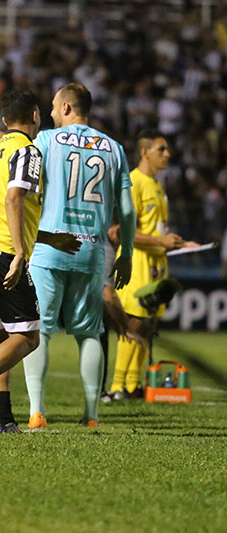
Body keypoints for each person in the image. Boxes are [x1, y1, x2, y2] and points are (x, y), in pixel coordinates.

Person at [0, 89, 80, 431]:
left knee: (1, 338)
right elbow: (13, 201)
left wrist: (48, 239)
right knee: (28, 337)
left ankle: (4, 419)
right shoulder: (27, 151)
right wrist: (20, 252)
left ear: (5, 120)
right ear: (36, 116)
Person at [21, 83, 136, 429]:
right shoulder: (113, 148)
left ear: (68, 108)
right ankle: (91, 415)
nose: (52, 113)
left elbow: (23, 192)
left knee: (39, 329)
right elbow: (127, 211)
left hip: (49, 247)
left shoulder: (45, 141)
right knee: (89, 332)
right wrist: (126, 253)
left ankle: (37, 412)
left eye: (55, 106)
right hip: (91, 251)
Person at [107, 129, 199, 400]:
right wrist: (161, 242)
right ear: (145, 151)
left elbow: (158, 230)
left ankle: (134, 385)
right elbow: (125, 231)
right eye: (162, 149)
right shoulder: (133, 183)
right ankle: (117, 387)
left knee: (148, 327)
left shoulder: (157, 185)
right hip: (136, 262)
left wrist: (182, 245)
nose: (167, 154)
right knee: (133, 323)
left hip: (157, 265)